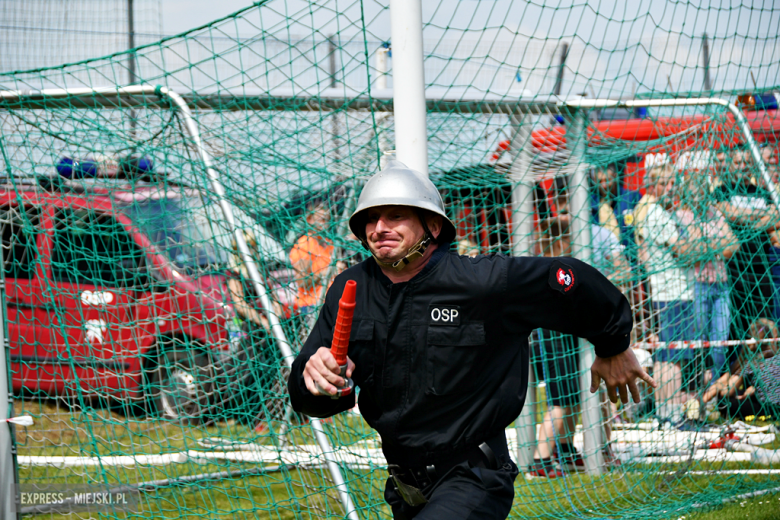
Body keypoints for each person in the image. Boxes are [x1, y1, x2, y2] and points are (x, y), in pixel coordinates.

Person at [288, 160, 656, 519]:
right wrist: (317, 380)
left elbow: (568, 278)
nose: (379, 227)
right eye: (371, 218)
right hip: (404, 487)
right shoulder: (349, 288)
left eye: (396, 216)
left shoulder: (482, 283)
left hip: (472, 477)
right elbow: (311, 397)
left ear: (432, 225)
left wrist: (613, 344)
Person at [529, 177, 632, 478]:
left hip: (576, 334)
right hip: (557, 336)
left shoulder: (579, 247)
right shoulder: (554, 263)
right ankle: (540, 458)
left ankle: (566, 448)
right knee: (561, 401)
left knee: (582, 394)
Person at [634, 163, 697, 424]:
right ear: (652, 185)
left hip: (674, 291)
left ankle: (669, 412)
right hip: (671, 293)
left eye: (673, 183)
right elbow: (683, 251)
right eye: (664, 183)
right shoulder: (656, 213)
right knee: (670, 357)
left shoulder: (659, 211)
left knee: (674, 356)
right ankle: (668, 414)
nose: (670, 188)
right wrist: (705, 246)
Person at [675, 172, 739, 387]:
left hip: (721, 285)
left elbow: (733, 245)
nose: (697, 198)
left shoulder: (715, 214)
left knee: (719, 341)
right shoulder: (681, 216)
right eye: (693, 194)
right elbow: (688, 252)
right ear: (685, 194)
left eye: (701, 193)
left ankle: (715, 391)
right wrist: (717, 245)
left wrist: (706, 247)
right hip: (697, 285)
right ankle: (697, 389)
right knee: (698, 340)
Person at [713, 149, 779, 343]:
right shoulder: (722, 191)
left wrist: (744, 221)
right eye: (738, 162)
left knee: (765, 329)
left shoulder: (764, 192)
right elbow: (728, 213)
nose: (743, 167)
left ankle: (761, 372)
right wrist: (759, 219)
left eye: (746, 163)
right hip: (734, 270)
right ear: (731, 164)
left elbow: (776, 217)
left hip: (762, 268)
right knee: (738, 331)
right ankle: (733, 373)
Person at [702, 318, 780, 420]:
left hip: (768, 408)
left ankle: (699, 406)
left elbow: (727, 391)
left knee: (724, 402)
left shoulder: (751, 362)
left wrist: (719, 387)